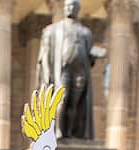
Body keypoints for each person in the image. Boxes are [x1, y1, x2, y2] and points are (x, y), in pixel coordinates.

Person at [35, 0, 99, 140]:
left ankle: (71, 132)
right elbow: (46, 56)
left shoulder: (85, 32)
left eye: (73, 6)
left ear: (78, 9)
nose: (70, 9)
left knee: (76, 102)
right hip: (63, 71)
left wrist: (94, 55)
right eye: (67, 6)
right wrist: (47, 75)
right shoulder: (54, 29)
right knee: (61, 99)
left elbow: (89, 56)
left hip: (80, 71)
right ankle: (58, 130)